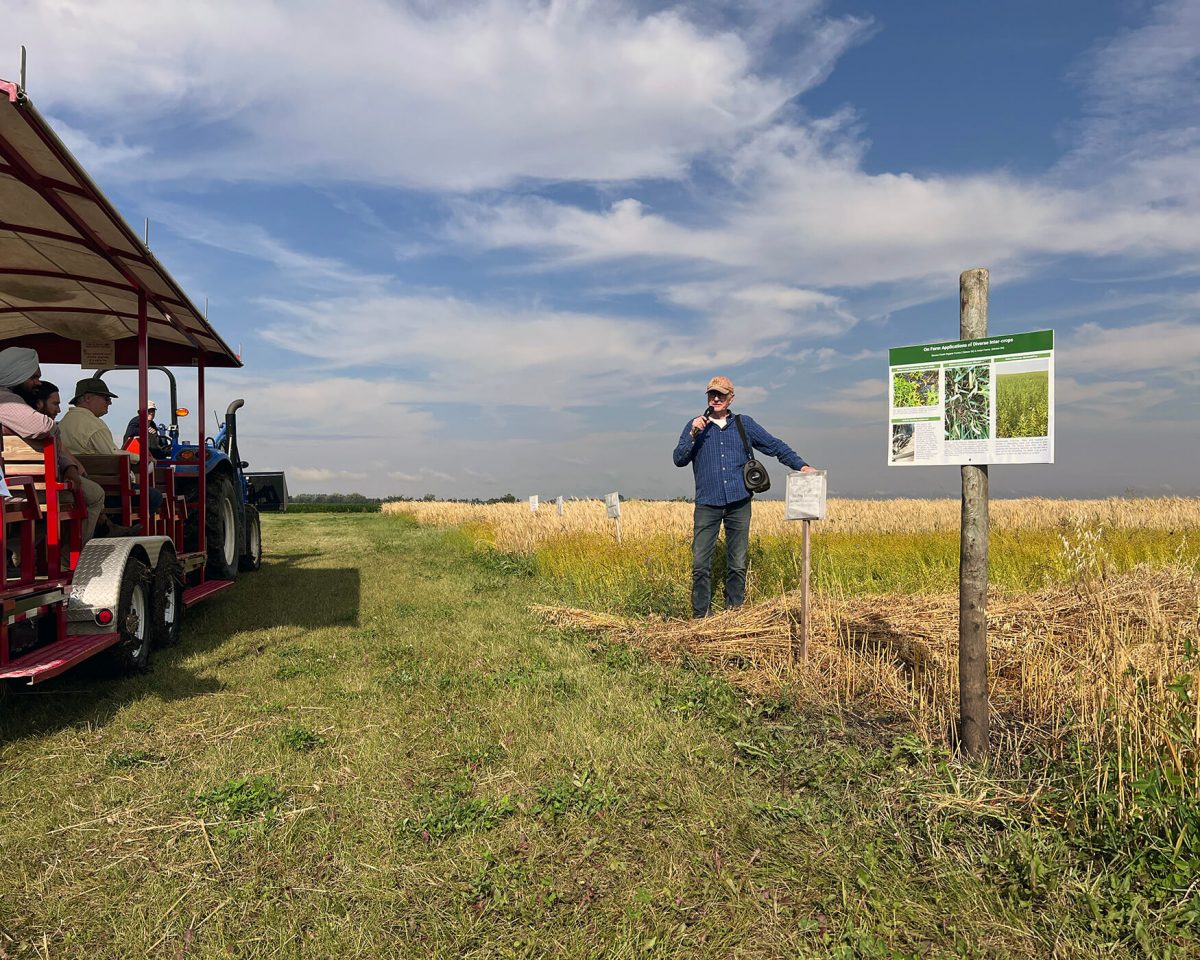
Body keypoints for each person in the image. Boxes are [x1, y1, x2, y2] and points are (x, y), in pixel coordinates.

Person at [673, 375, 816, 618]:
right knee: (700, 564)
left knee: (737, 563)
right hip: (707, 503)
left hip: (739, 502)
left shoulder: (743, 424)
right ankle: (700, 619)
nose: (716, 398)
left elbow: (774, 446)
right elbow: (679, 459)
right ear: (707, 397)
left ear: (731, 398)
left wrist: (801, 466)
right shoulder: (695, 426)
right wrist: (693, 434)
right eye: (712, 394)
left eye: (721, 394)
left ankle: (734, 615)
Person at [0, 348, 106, 543]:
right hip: (26, 490)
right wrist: (55, 430)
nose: (38, 382)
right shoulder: (6, 400)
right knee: (96, 495)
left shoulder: (18, 401)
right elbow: (42, 426)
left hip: (18, 485)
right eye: (33, 376)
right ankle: (69, 558)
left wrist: (68, 465)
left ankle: (24, 552)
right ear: (16, 374)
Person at [60, 377, 162, 526]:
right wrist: (142, 458)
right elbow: (112, 455)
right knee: (154, 496)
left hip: (72, 486)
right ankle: (123, 531)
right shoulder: (95, 426)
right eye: (106, 398)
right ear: (88, 398)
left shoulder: (63, 422)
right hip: (102, 490)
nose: (109, 402)